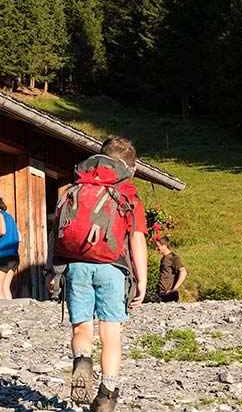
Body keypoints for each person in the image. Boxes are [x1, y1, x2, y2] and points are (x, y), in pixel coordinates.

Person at [54, 135, 147, 412]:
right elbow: (137, 239)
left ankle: (82, 361)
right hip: (113, 269)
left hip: (76, 265)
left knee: (82, 327)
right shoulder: (128, 194)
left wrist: (53, 269)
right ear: (132, 169)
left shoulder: (75, 188)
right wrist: (141, 280)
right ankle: (107, 393)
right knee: (110, 333)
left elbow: (56, 231)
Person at [152, 235, 186, 303]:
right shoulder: (164, 259)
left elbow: (183, 272)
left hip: (169, 294)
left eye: (158, 246)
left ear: (164, 245)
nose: (156, 248)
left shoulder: (173, 258)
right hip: (161, 293)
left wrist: (174, 289)